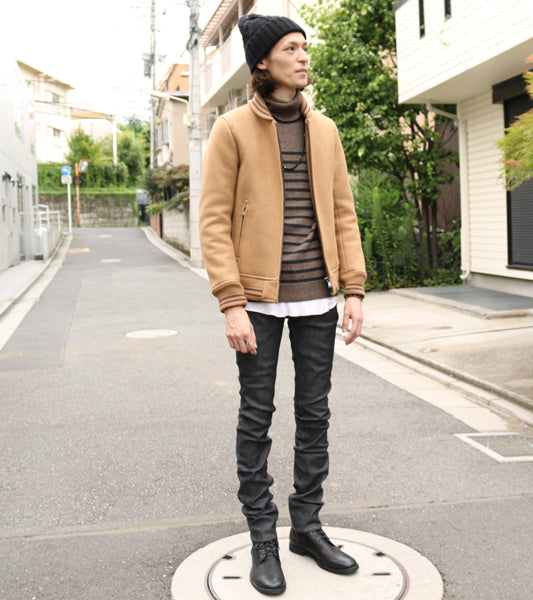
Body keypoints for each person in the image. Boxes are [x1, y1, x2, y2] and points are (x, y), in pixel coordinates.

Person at [199, 13, 366, 596]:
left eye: (304, 47)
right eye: (291, 48)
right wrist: (231, 302)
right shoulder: (232, 130)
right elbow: (214, 221)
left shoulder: (326, 131)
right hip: (258, 303)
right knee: (257, 415)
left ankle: (308, 527)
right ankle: (263, 537)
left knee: (315, 415)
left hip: (318, 297)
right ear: (263, 62)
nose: (302, 57)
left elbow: (343, 213)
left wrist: (354, 289)